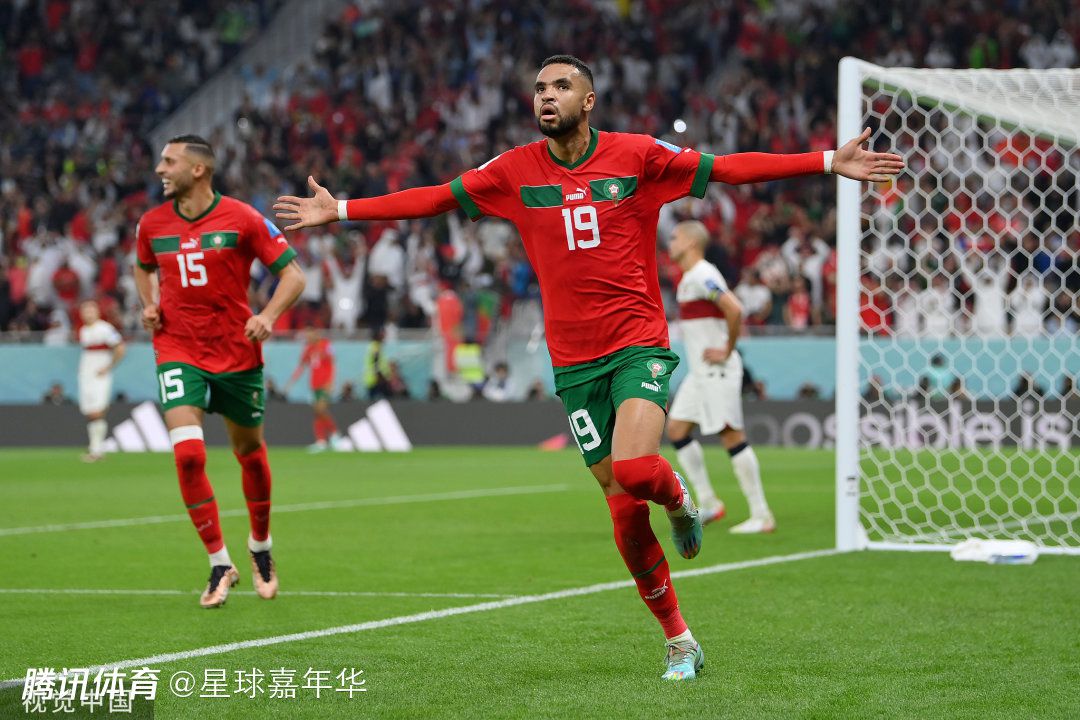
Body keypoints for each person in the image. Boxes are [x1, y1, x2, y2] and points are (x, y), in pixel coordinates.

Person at [274, 55, 902, 680]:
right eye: (540, 88)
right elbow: (436, 198)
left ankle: (681, 497)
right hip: (573, 364)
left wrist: (825, 162)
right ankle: (680, 639)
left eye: (561, 86)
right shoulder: (514, 170)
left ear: (590, 99)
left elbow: (729, 168)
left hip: (637, 346)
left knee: (636, 470)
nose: (546, 96)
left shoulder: (638, 157)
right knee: (623, 509)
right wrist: (345, 210)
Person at [134, 135, 305, 609]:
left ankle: (261, 547)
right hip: (176, 348)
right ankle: (218, 561)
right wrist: (149, 304)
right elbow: (142, 266)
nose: (159, 170)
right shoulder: (151, 223)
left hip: (236, 352)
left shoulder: (244, 219)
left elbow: (294, 275)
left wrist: (267, 316)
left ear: (198, 170)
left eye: (169, 161)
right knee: (187, 456)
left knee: (249, 453)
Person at [665, 221, 775, 534]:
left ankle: (762, 513)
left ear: (689, 242)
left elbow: (734, 308)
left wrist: (727, 349)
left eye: (674, 238)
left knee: (730, 435)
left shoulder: (703, 274)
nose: (669, 243)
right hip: (700, 372)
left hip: (717, 369)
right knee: (676, 428)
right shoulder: (690, 277)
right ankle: (710, 502)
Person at [76, 299, 125, 462]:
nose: (88, 314)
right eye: (85, 311)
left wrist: (108, 367)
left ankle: (97, 450)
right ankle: (94, 448)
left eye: (90, 310)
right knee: (89, 412)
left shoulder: (105, 328)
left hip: (100, 375)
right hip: (86, 375)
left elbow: (120, 348)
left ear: (97, 312)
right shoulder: (83, 330)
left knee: (97, 410)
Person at [285, 325, 342, 452]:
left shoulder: (326, 345)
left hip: (324, 384)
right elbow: (301, 366)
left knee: (321, 409)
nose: (308, 337)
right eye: (306, 335)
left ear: (316, 333)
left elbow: (332, 362)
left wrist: (331, 382)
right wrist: (291, 382)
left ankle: (335, 434)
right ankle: (321, 441)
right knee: (317, 412)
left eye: (310, 334)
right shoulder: (309, 349)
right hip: (314, 385)